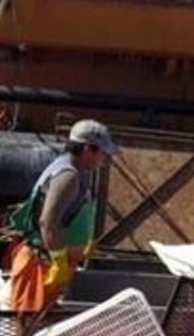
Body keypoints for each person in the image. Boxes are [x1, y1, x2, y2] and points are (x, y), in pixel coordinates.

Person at [7, 119, 120, 311]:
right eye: (102, 154)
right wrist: (58, 260)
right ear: (87, 149)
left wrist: (82, 244)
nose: (104, 161)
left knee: (48, 328)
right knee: (30, 326)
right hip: (41, 264)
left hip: (51, 263)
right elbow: (48, 221)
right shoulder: (69, 176)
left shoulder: (78, 172)